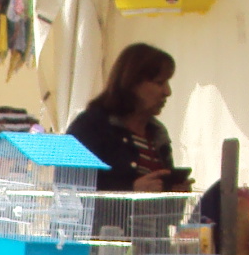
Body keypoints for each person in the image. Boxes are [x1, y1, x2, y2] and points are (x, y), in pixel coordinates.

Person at [65, 42, 186, 193]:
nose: (167, 92)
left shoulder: (157, 132)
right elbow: (69, 187)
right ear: (133, 83)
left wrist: (174, 192)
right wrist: (130, 190)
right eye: (159, 83)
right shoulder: (91, 126)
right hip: (104, 217)